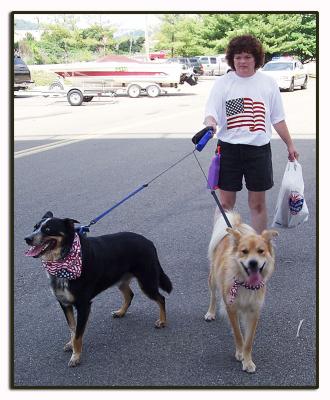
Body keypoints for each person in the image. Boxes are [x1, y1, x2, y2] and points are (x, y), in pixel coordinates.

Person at [203, 34, 299, 233]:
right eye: (237, 57)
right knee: (225, 205)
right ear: (232, 59)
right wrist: (210, 124)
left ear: (256, 59)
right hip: (228, 149)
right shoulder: (223, 83)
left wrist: (290, 144)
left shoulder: (268, 83)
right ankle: (222, 247)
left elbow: (278, 118)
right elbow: (211, 114)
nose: (242, 61)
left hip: (258, 151)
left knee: (257, 204)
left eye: (247, 56)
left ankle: (259, 248)